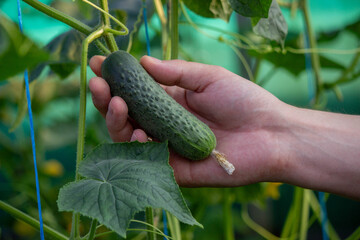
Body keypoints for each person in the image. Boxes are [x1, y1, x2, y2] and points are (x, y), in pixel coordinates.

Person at [88, 55, 360, 200]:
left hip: (202, 142)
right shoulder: (201, 140)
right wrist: (280, 134)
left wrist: (279, 131)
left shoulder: (202, 141)